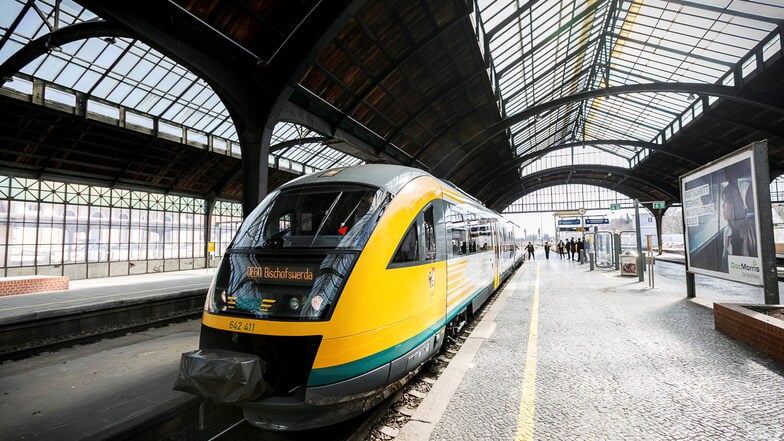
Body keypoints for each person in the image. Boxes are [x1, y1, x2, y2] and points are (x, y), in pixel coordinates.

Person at [721, 181, 757, 271]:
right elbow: (724, 260)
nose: (723, 206)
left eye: (725, 202)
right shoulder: (726, 230)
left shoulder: (751, 229)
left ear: (735, 206)